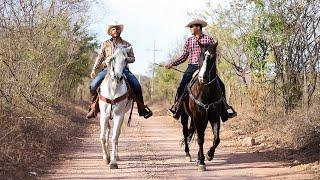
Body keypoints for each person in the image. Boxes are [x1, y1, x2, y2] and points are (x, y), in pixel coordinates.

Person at [165, 19, 236, 121]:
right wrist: (172, 64)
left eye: (192, 27)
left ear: (198, 27)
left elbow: (213, 55)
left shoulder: (209, 40)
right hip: (193, 66)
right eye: (190, 27)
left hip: (206, 67)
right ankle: (176, 108)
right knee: (183, 85)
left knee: (221, 85)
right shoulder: (189, 40)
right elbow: (184, 56)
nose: (190, 29)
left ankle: (225, 110)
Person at [86, 22, 152, 119]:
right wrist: (94, 69)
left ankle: (141, 108)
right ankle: (93, 107)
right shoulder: (105, 44)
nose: (115, 31)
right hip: (107, 70)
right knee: (94, 85)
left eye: (117, 29)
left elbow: (133, 58)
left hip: (123, 70)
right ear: (110, 32)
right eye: (113, 29)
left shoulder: (127, 44)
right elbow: (100, 57)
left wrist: (126, 58)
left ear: (120, 31)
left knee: (137, 85)